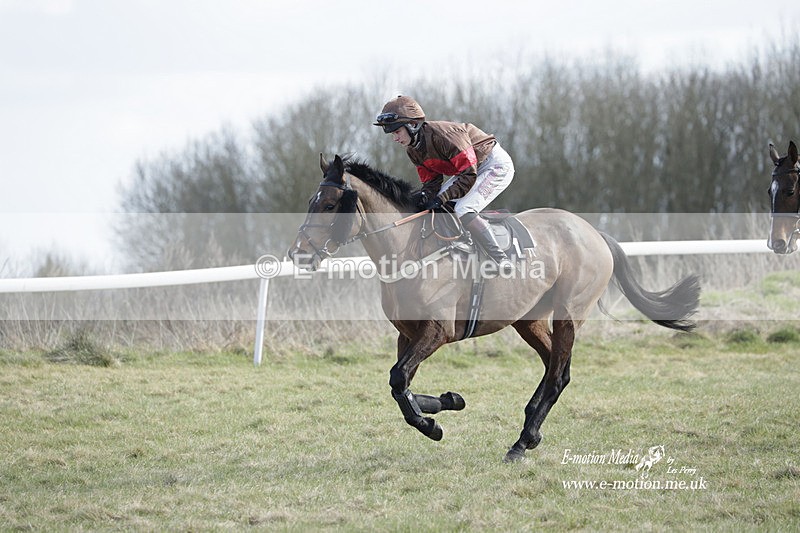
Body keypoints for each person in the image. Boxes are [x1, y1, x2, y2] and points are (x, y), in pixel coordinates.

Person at [373, 95, 515, 273]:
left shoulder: (445, 136)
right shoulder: (413, 150)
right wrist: (423, 197)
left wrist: (441, 198)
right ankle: (460, 248)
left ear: (413, 125)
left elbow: (468, 175)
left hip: (494, 164)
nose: (395, 138)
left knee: (463, 208)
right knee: (436, 207)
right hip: (470, 170)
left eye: (397, 132)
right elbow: (432, 182)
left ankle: (501, 259)